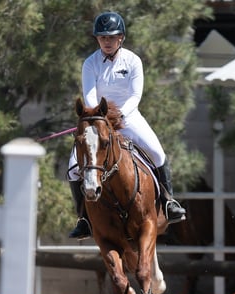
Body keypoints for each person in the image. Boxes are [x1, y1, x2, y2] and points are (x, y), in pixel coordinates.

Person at [68, 11, 186, 240]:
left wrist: (120, 114)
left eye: (111, 37)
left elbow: (135, 94)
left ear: (121, 37)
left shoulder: (133, 61)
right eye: (103, 38)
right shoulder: (90, 64)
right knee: (73, 167)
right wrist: (100, 118)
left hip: (128, 117)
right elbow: (90, 97)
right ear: (97, 39)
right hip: (99, 120)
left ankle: (169, 202)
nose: (107, 42)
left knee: (158, 154)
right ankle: (83, 218)